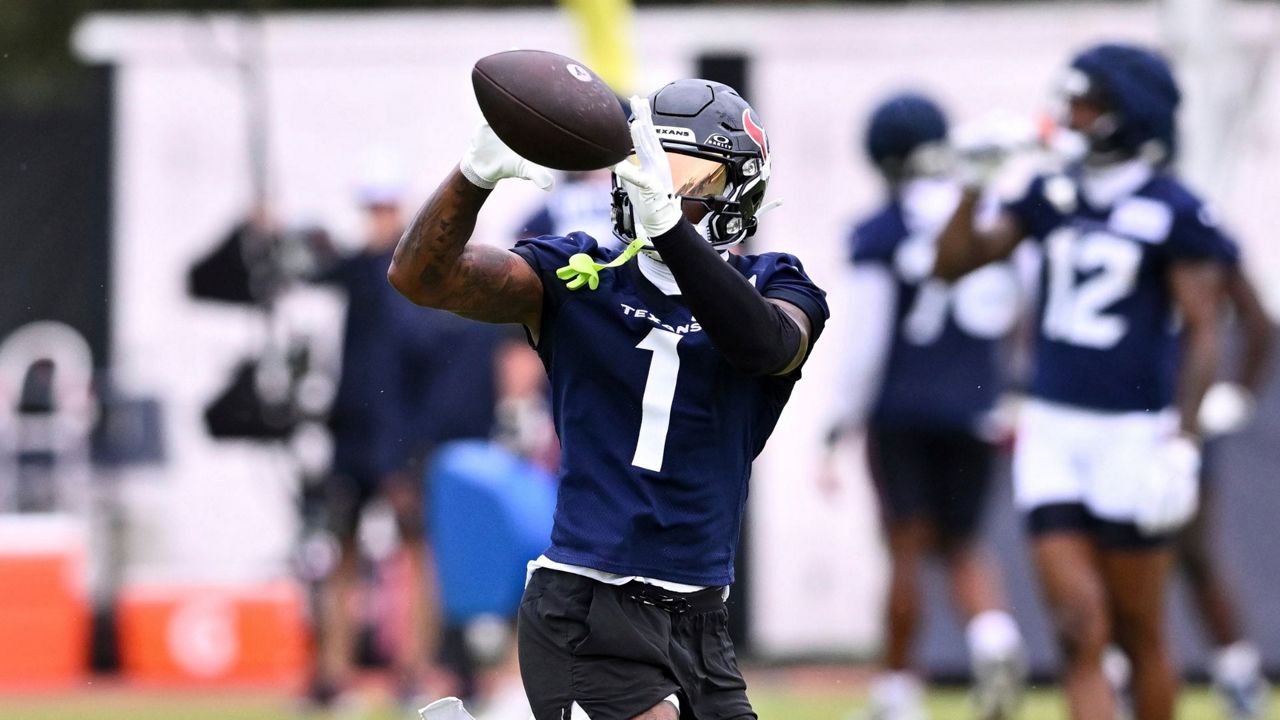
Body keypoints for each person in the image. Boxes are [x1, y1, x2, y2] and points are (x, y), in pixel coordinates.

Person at [391, 79, 828, 720]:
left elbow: (766, 347)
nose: (668, 190)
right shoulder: (576, 275)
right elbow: (421, 278)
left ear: (739, 188)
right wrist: (471, 178)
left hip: (702, 616)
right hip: (590, 603)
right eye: (656, 170)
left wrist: (671, 232)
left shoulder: (775, 283)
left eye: (691, 176)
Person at [933, 43, 1237, 720]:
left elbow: (1205, 328)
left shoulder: (1173, 208)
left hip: (1134, 432)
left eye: (1085, 102)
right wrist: (973, 184)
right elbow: (952, 265)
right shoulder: (1052, 193)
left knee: (1139, 629)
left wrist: (1184, 442)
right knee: (1078, 625)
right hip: (1054, 427)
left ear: (1125, 114)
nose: (1069, 115)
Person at [824, 92, 1026, 720]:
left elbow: (867, 337)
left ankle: (896, 692)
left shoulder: (883, 230)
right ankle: (995, 636)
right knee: (965, 544)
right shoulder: (986, 213)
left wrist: (839, 420)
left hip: (903, 406)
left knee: (904, 549)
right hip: (977, 403)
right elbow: (1023, 302)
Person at [312, 176, 498, 708]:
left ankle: (414, 670)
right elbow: (320, 268)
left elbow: (423, 377)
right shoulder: (367, 270)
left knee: (420, 554)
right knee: (342, 550)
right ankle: (334, 674)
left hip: (406, 438)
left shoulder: (432, 292)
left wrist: (408, 452)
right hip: (354, 431)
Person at [1176, 261, 1273, 719]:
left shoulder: (1190, 227)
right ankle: (1115, 670)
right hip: (1107, 419)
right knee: (1112, 554)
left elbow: (1257, 321)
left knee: (1192, 551)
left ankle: (1237, 674)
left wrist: (1238, 394)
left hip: (1181, 419)